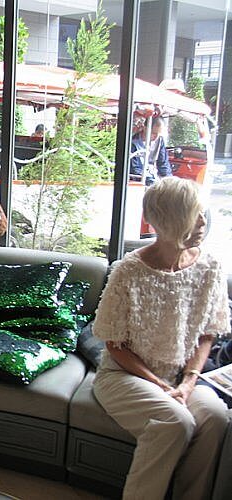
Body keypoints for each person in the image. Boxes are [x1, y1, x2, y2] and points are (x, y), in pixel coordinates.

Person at [92, 177, 230, 500]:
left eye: (202, 213)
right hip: (123, 376)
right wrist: (159, 384)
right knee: (175, 421)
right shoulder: (128, 270)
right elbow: (114, 344)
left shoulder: (209, 267)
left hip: (182, 378)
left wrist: (187, 382)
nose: (203, 221)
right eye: (194, 214)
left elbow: (208, 333)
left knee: (216, 418)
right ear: (169, 219)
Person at [130, 116, 172, 185]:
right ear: (145, 128)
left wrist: (168, 179)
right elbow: (135, 170)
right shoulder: (133, 143)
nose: (156, 137)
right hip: (140, 179)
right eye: (154, 133)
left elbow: (163, 164)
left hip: (154, 177)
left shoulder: (159, 141)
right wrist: (151, 180)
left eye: (159, 134)